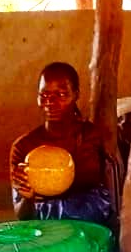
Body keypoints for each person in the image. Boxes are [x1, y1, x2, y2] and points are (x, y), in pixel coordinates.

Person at [9, 62, 116, 228]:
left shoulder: (89, 137)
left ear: (76, 95)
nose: (50, 102)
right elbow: (23, 216)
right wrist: (27, 197)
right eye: (44, 95)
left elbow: (102, 198)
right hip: (45, 235)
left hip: (88, 229)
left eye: (61, 94)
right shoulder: (23, 148)